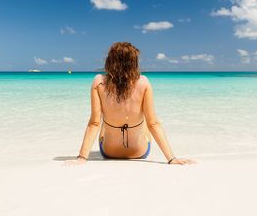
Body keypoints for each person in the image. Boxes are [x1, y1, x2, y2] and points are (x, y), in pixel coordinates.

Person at [66, 42, 194, 165]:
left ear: (110, 61)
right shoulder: (144, 82)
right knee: (144, 121)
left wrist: (82, 157)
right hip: (139, 152)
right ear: (134, 63)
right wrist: (172, 159)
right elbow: (153, 124)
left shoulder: (98, 81)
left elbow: (94, 123)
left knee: (104, 123)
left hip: (110, 152)